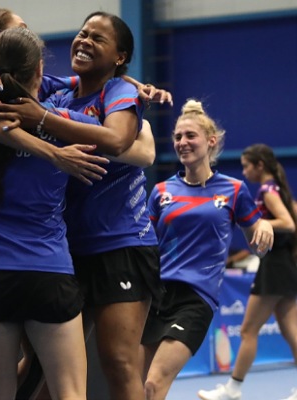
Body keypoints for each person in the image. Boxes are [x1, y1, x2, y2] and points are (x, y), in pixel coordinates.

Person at [0, 7, 170, 400]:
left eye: (96, 37)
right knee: (48, 378)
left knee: (109, 364)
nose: (83, 40)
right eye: (25, 29)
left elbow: (130, 144)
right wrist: (52, 148)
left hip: (103, 247)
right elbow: (124, 143)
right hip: (51, 261)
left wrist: (130, 92)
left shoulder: (54, 104)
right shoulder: (46, 106)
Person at [0, 11, 168, 400]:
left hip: (121, 246)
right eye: (83, 33)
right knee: (42, 365)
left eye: (98, 38)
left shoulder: (117, 93)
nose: (85, 41)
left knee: (118, 362)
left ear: (120, 56)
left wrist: (44, 118)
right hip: (64, 252)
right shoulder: (59, 95)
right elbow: (10, 82)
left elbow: (117, 139)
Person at [0, 26, 93, 399]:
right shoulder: (68, 125)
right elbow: (129, 144)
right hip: (47, 270)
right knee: (71, 393)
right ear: (40, 70)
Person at [138, 100, 274, 400]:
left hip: (196, 299)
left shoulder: (234, 190)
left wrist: (265, 225)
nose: (182, 142)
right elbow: (145, 245)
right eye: (178, 137)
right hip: (155, 297)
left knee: (153, 384)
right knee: (135, 386)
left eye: (190, 136)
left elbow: (259, 248)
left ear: (211, 141)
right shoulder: (160, 192)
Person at [198, 143, 297, 400]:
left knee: (247, 331)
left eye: (246, 166)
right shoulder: (277, 188)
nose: (243, 172)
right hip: (283, 265)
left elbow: (288, 223)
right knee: (290, 328)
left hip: (275, 267)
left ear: (259, 166)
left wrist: (255, 222)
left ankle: (232, 389)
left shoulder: (267, 191)